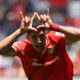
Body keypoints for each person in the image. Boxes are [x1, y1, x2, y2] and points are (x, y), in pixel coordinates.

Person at [0, 10, 73, 80]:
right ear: (28, 38)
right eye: (34, 37)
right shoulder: (24, 47)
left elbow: (78, 35)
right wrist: (20, 31)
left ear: (46, 34)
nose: (38, 41)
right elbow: (1, 50)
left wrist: (54, 26)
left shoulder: (56, 39)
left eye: (41, 36)